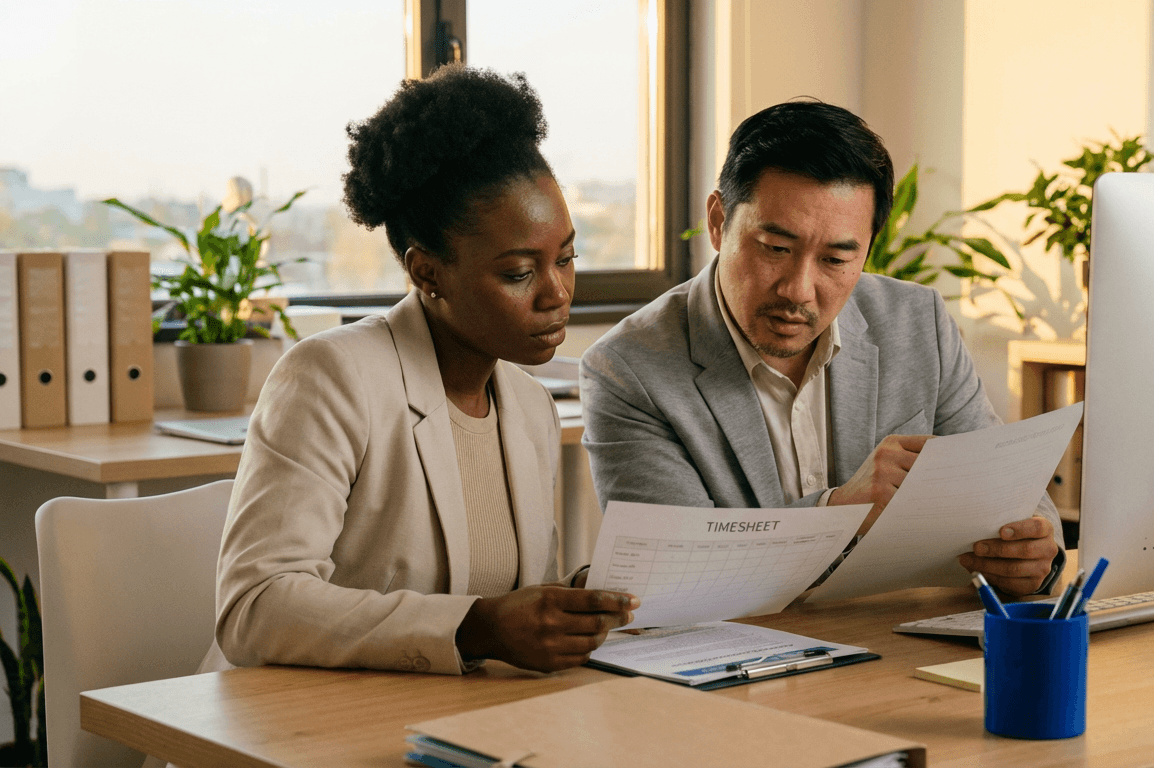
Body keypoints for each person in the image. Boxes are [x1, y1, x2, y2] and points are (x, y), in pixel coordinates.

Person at [212, 66, 636, 676]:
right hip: (301, 730)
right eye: (519, 272)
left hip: (461, 725)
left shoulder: (529, 405)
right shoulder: (331, 378)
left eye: (566, 259)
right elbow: (255, 608)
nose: (557, 293)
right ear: (427, 272)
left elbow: (506, 603)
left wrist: (582, 600)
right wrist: (476, 627)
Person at [579, 100, 1064, 597]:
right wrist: (836, 513)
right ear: (719, 221)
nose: (799, 290)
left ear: (867, 250)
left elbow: (1012, 491)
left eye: (835, 258)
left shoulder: (917, 323)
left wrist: (1032, 553)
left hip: (893, 643)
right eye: (776, 249)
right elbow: (672, 574)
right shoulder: (629, 368)